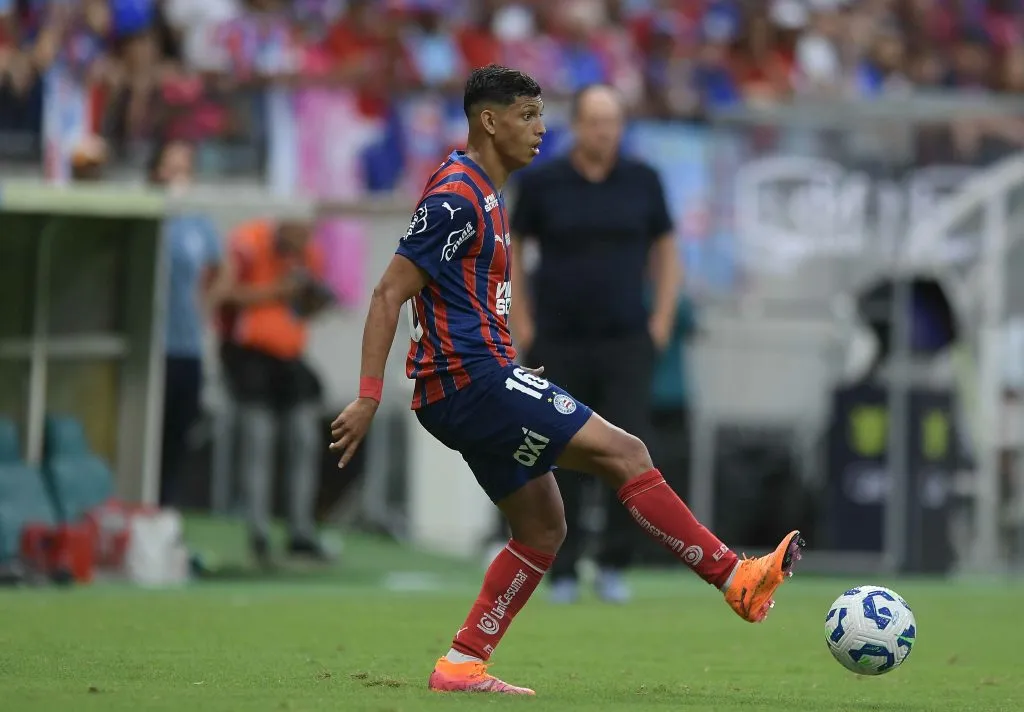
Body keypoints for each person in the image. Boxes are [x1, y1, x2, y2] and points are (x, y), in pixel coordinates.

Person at [329, 64, 804, 696]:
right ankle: (734, 579)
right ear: (488, 121)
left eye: (541, 115)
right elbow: (389, 293)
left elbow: (458, 301)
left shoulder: (488, 192)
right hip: (471, 383)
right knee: (626, 453)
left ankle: (462, 663)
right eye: (527, 116)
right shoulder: (455, 199)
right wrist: (367, 397)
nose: (541, 129)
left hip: (478, 380)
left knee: (543, 528)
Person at [509, 83, 680, 604]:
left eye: (613, 121)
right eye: (596, 121)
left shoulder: (643, 181)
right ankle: (560, 568)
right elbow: (512, 249)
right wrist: (522, 322)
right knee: (558, 450)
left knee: (628, 451)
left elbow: (667, 251)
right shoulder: (543, 182)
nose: (604, 131)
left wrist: (662, 321)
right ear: (578, 125)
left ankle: (614, 563)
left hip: (627, 339)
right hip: (557, 340)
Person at [211, 217, 334, 565]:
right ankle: (259, 531)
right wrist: (276, 292)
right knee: (258, 440)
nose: (304, 244)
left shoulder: (309, 254)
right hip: (248, 354)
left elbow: (302, 311)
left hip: (289, 355)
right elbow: (223, 293)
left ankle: (300, 531)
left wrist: (315, 300)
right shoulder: (247, 243)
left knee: (304, 437)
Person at [151, 138, 221, 507]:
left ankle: (167, 511)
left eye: (185, 169)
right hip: (152, 346)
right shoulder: (151, 216)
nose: (180, 176)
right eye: (172, 167)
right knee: (151, 433)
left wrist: (206, 305)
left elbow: (220, 268)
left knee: (180, 433)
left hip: (188, 346)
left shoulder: (198, 222)